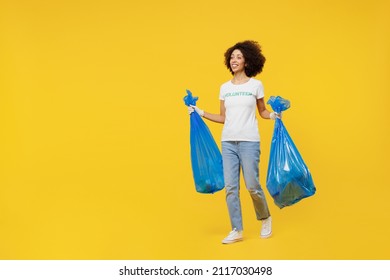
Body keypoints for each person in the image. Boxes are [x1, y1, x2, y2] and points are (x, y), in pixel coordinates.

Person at [188, 40, 281, 244]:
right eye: (232, 57)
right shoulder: (224, 88)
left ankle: (265, 218)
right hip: (228, 142)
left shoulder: (256, 85)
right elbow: (223, 118)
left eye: (239, 57)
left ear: (247, 62)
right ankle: (236, 229)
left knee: (252, 185)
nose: (234, 60)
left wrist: (274, 115)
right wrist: (199, 112)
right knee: (231, 187)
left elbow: (262, 111)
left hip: (249, 141)